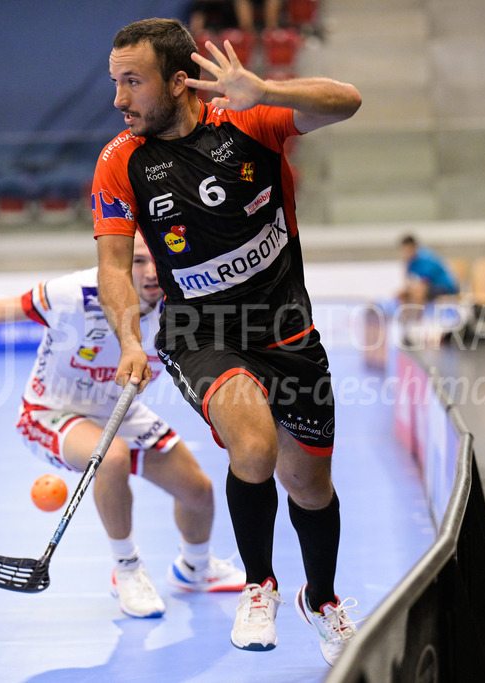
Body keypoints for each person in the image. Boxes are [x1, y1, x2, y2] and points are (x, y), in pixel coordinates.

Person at [92, 18, 362, 666]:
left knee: (310, 486)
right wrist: (130, 337)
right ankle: (258, 583)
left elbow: (347, 99)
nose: (119, 99)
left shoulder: (250, 120)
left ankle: (320, 598)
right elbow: (110, 265)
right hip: (199, 333)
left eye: (133, 82)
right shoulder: (122, 161)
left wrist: (267, 86)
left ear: (178, 80)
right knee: (255, 444)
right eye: (115, 82)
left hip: (287, 331)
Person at [0, 233, 245, 619]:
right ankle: (126, 569)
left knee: (197, 490)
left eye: (157, 259)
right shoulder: (76, 293)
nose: (150, 272)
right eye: (137, 260)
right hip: (52, 411)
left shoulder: (184, 307)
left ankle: (195, 568)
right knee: (111, 459)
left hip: (119, 411)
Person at [397, 234, 459, 306]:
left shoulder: (426, 258)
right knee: (403, 294)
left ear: (413, 247)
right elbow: (409, 282)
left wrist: (411, 289)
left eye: (408, 250)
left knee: (419, 292)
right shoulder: (409, 262)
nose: (405, 253)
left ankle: (418, 316)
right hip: (430, 287)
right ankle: (405, 315)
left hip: (445, 287)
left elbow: (424, 284)